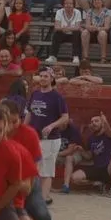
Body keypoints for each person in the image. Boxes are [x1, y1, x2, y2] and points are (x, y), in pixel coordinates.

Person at [1, 97, 63, 220]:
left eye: (14, 121)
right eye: (6, 121)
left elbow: (32, 170)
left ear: (19, 118)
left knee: (42, 215)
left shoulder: (28, 135)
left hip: (26, 182)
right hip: (2, 186)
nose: (10, 126)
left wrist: (20, 188)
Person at [25, 67, 71, 203]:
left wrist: (52, 125)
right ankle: (38, 196)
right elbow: (29, 112)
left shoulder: (57, 97)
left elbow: (65, 117)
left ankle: (43, 199)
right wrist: (23, 128)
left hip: (50, 139)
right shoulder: (35, 94)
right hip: (34, 136)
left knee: (47, 169)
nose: (43, 78)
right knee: (34, 168)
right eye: (41, 76)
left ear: (52, 79)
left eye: (46, 76)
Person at [69, 113, 111, 197]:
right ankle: (97, 184)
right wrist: (82, 150)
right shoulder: (91, 138)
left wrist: (105, 121)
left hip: (109, 169)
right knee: (74, 178)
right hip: (96, 168)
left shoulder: (109, 134)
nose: (93, 123)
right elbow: (89, 156)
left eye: (96, 121)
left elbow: (109, 130)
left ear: (102, 123)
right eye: (92, 121)